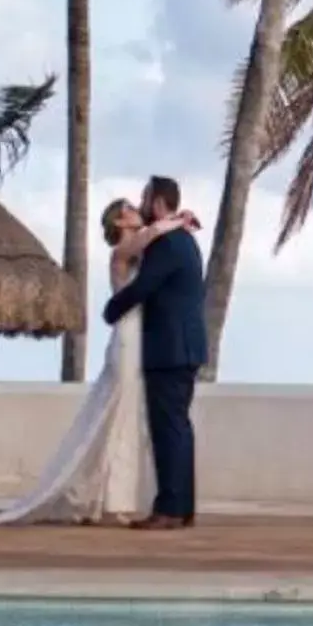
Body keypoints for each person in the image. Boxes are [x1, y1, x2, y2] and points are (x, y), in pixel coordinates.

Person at [0, 197, 192, 527]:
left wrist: (176, 222)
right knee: (117, 413)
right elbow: (153, 234)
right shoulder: (124, 251)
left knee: (125, 418)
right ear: (121, 222)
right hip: (127, 340)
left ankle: (108, 498)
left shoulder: (141, 250)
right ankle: (99, 497)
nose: (138, 209)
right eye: (130, 209)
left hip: (141, 339)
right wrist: (178, 221)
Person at [107, 173, 207, 531]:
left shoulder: (168, 244)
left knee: (169, 430)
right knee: (178, 428)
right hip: (183, 347)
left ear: (159, 203)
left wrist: (111, 310)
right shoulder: (181, 239)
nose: (142, 203)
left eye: (145, 198)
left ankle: (169, 509)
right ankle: (182, 507)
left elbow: (145, 286)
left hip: (170, 348)